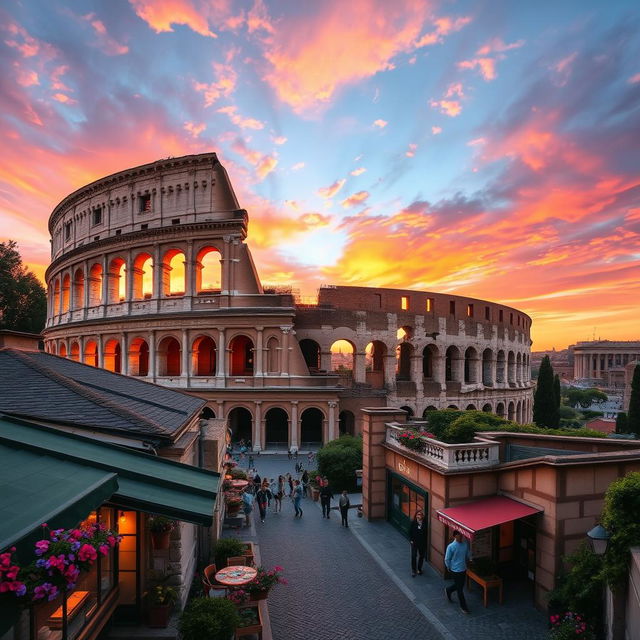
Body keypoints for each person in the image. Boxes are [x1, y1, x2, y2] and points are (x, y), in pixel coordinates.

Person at [444, 530, 472, 614]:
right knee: (460, 589)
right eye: (459, 535)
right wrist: (448, 567)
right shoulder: (451, 546)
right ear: (455, 536)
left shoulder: (465, 544)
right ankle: (463, 607)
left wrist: (470, 559)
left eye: (461, 535)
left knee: (459, 585)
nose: (461, 536)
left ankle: (448, 590)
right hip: (455, 570)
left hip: (463, 569)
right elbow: (447, 558)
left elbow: (468, 554)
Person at [409, 510, 428, 577]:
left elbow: (425, 533)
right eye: (418, 514)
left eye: (420, 514)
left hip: (422, 543)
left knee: (421, 556)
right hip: (414, 543)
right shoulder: (413, 523)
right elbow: (410, 531)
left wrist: (421, 525)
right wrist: (411, 540)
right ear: (416, 515)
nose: (419, 516)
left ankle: (419, 569)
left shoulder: (425, 523)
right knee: (413, 556)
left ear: (422, 516)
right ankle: (414, 570)